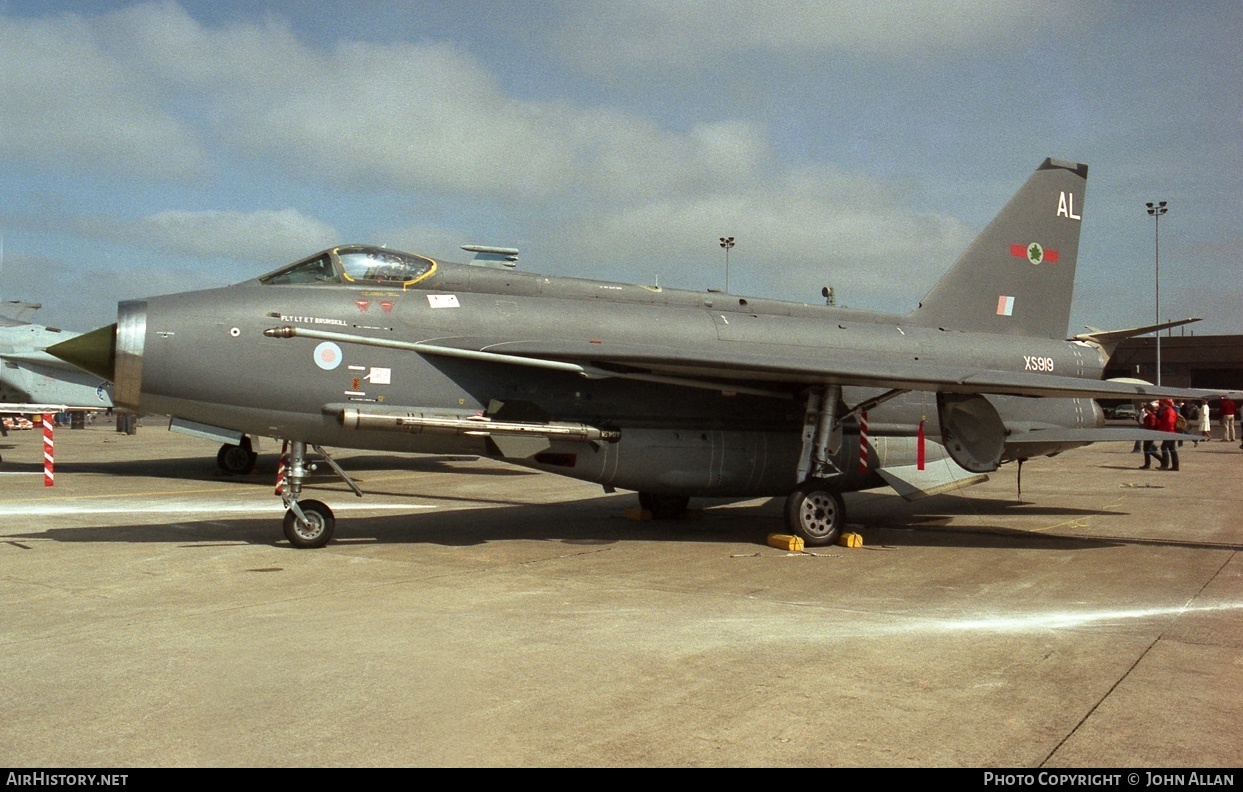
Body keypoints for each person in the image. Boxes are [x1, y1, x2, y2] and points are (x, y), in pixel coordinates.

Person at [1157, 398, 1180, 471]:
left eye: (1163, 403)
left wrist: (1165, 431)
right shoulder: (1170, 410)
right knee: (1172, 448)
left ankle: (1165, 465)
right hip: (1171, 432)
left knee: (1164, 447)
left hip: (1169, 432)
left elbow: (1169, 422)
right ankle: (1175, 466)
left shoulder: (1169, 411)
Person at [1140, 402, 1162, 469]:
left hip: (1149, 434)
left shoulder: (1151, 416)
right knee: (1146, 449)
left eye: (1146, 409)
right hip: (1148, 434)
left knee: (1148, 449)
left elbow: (1151, 425)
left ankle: (1161, 459)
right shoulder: (1150, 415)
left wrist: (1148, 432)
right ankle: (1147, 464)